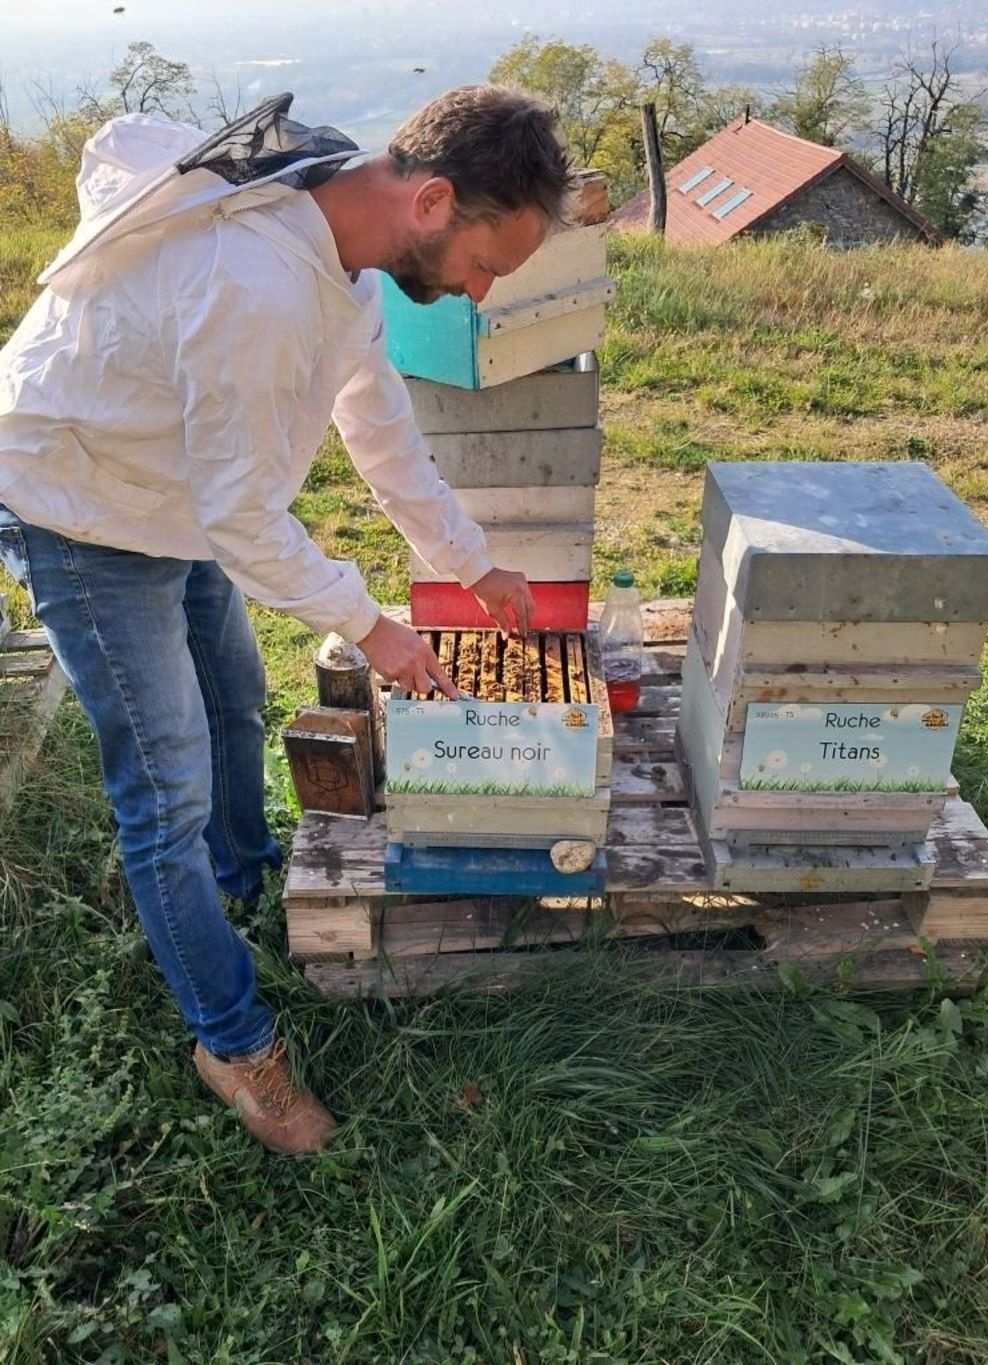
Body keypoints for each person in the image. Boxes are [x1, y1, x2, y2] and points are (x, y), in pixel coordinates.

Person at [0, 85, 574, 1154]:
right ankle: (233, 1043)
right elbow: (246, 519)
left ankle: (236, 888)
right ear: (435, 200)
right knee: (162, 791)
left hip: (169, 485)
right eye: (486, 265)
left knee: (235, 703)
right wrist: (375, 627)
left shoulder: (341, 242)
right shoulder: (257, 286)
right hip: (80, 503)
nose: (476, 295)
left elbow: (380, 430)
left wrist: (470, 561)